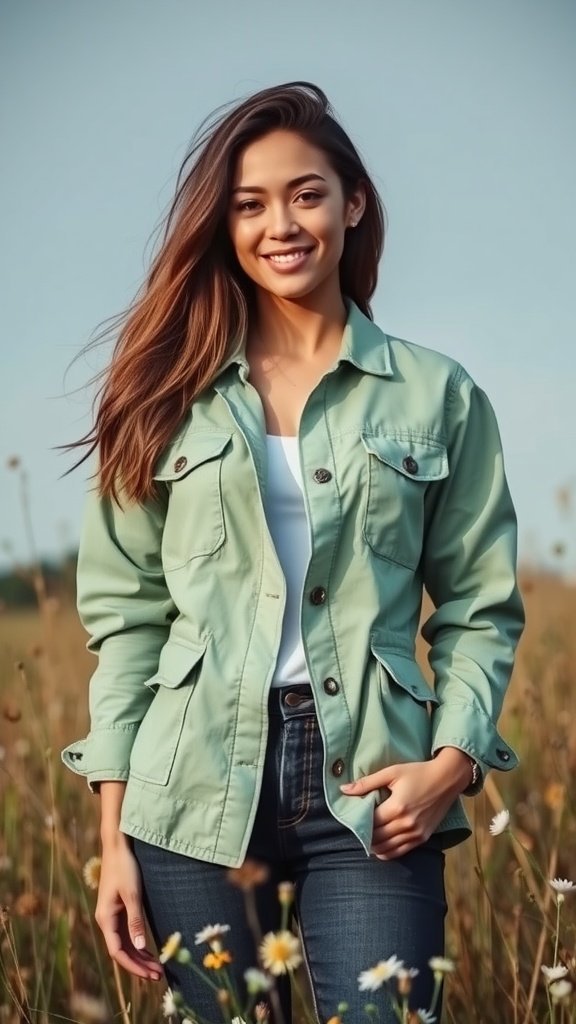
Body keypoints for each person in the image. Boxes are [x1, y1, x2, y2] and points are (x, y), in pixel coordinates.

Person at [62, 81, 524, 1023]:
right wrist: (112, 841)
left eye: (306, 194)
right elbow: (128, 626)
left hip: (370, 787)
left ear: (353, 203)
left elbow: (481, 608)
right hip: (188, 787)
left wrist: (453, 765)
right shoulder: (162, 395)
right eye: (249, 203)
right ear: (224, 225)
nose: (282, 223)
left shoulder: (438, 396)